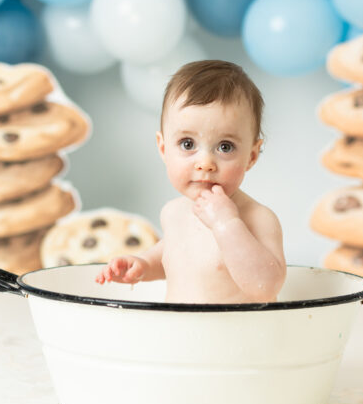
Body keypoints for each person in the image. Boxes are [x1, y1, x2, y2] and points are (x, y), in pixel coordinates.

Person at [95, 60, 286, 303]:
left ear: (251, 155)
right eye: (188, 144)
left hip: (238, 337)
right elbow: (174, 257)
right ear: (163, 148)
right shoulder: (173, 213)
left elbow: (265, 287)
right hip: (181, 334)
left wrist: (227, 224)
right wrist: (143, 265)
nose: (205, 163)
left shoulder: (258, 218)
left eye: (225, 147)